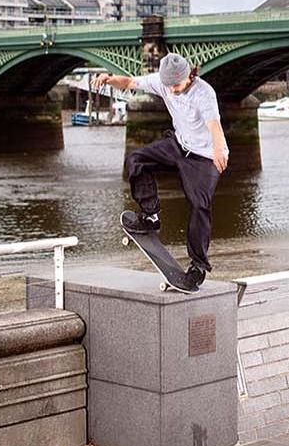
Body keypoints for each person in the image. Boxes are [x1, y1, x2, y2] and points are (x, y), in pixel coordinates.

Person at [93, 53, 228, 289]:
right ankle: (150, 215)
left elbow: (214, 125)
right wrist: (108, 79)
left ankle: (198, 267)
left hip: (205, 157)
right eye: (169, 86)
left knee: (199, 205)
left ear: (189, 75)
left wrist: (218, 150)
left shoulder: (204, 93)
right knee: (136, 160)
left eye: (177, 85)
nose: (173, 90)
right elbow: (130, 82)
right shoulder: (162, 83)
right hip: (179, 145)